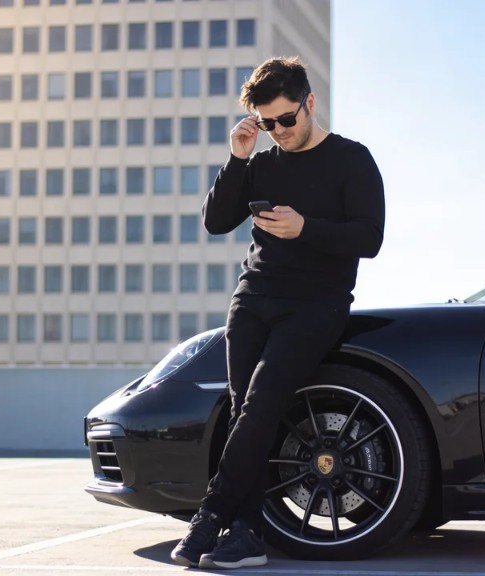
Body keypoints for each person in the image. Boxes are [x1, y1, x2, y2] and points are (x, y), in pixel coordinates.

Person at [170, 56, 385, 570]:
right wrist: (239, 158)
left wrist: (305, 227)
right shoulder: (261, 161)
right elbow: (216, 221)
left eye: (287, 120)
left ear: (310, 103)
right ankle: (245, 532)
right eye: (267, 124)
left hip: (316, 303)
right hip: (253, 301)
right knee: (247, 410)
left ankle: (211, 514)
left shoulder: (352, 160)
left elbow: (369, 239)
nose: (279, 132)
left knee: (262, 404)